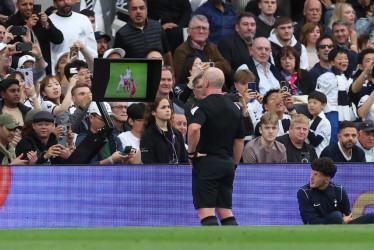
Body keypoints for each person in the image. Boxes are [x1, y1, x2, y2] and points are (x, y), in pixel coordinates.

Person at [187, 67, 244, 226]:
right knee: (224, 210)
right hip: (227, 163)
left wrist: (191, 153)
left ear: (205, 83)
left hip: (207, 162)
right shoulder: (235, 108)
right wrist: (234, 166)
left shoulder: (201, 106)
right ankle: (236, 245)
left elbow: (194, 129)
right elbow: (239, 141)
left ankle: (214, 245)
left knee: (205, 210)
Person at [297, 157, 374, 224]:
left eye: (316, 175)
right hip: (319, 228)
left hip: (342, 225)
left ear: (327, 179)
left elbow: (347, 216)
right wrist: (341, 221)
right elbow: (313, 222)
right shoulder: (304, 192)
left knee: (371, 217)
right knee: (336, 216)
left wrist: (343, 221)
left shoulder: (339, 190)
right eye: (312, 173)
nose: (311, 177)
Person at [6, 0, 63, 74]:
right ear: (17, 5)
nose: (28, 7)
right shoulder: (11, 23)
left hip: (44, 68)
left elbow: (59, 39)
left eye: (31, 4)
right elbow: (14, 47)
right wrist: (26, 28)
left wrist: (47, 25)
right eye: (24, 4)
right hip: (23, 70)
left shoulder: (41, 19)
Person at [173, 14, 231, 87]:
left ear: (208, 33)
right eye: (197, 28)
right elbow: (181, 76)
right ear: (189, 32)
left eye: (204, 28)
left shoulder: (212, 47)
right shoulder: (181, 50)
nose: (201, 31)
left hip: (214, 88)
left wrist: (209, 66)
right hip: (191, 89)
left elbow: (227, 67)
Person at [113, 0, 172, 66]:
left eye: (142, 8)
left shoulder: (157, 27)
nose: (138, 11)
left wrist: (171, 71)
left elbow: (167, 52)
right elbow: (117, 60)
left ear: (146, 10)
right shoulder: (121, 34)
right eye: (134, 9)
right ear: (129, 12)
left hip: (157, 71)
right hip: (135, 73)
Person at [316, 47, 357, 143]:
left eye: (346, 58)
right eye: (340, 59)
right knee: (333, 141)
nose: (344, 61)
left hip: (347, 114)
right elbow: (318, 97)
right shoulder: (325, 77)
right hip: (332, 114)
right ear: (332, 62)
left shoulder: (348, 77)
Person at [49, 0, 97, 74]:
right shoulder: (49, 21)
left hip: (82, 74)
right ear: (55, 4)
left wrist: (89, 71)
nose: (67, 2)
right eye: (62, 0)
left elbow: (92, 50)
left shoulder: (84, 20)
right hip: (58, 76)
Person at [140, 97, 188, 164]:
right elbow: (148, 161)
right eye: (163, 107)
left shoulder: (176, 133)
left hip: (177, 173)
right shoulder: (148, 135)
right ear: (153, 112)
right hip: (158, 173)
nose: (168, 110)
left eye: (169, 107)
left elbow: (184, 159)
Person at [217, 12, 256, 83]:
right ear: (237, 27)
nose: (249, 28)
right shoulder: (227, 42)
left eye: (252, 25)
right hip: (238, 85)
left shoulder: (260, 43)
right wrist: (244, 82)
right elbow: (226, 69)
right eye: (245, 24)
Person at [0, 78, 31, 147]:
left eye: (18, 90)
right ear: (3, 94)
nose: (17, 93)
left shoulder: (27, 112)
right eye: (12, 91)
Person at [306, 91, 331, 157]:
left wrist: (306, 128)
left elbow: (316, 142)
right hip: (308, 155)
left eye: (315, 102)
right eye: (309, 102)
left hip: (320, 156)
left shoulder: (325, 122)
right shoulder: (308, 120)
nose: (311, 105)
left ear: (323, 105)